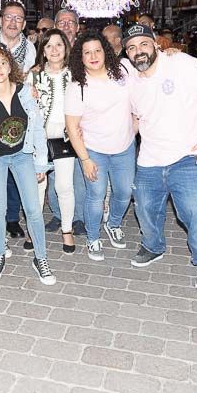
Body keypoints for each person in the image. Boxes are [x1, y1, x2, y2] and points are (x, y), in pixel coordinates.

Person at [122, 25, 197, 290]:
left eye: (143, 44)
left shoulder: (181, 63)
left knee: (195, 211)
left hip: (190, 154)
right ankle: (153, 246)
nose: (138, 51)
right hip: (150, 158)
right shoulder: (131, 78)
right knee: (144, 207)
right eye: (131, 47)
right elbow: (134, 118)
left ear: (156, 44)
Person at [0, 42, 53, 284]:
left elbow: (38, 128)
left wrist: (41, 163)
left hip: (23, 155)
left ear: (10, 66)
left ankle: (40, 258)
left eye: (2, 63)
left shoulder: (26, 92)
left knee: (32, 208)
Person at [65, 31, 135, 261]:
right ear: (80, 57)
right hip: (94, 150)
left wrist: (133, 128)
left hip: (124, 147)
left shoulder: (124, 69)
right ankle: (93, 237)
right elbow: (73, 127)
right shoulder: (78, 86)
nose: (93, 55)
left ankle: (113, 224)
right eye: (87, 52)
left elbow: (149, 69)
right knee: (95, 196)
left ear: (106, 51)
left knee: (124, 192)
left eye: (97, 50)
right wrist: (85, 159)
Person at [27, 29, 76, 253]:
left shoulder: (76, 74)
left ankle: (67, 230)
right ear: (43, 51)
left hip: (66, 137)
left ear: (66, 48)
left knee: (64, 186)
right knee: (38, 186)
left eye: (59, 45)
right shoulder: (34, 75)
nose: (54, 50)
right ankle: (34, 230)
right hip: (38, 139)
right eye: (49, 46)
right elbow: (24, 105)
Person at [0, 1, 35, 73]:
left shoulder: (29, 49)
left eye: (18, 18)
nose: (13, 22)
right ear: (1, 21)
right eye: (8, 17)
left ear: (24, 24)